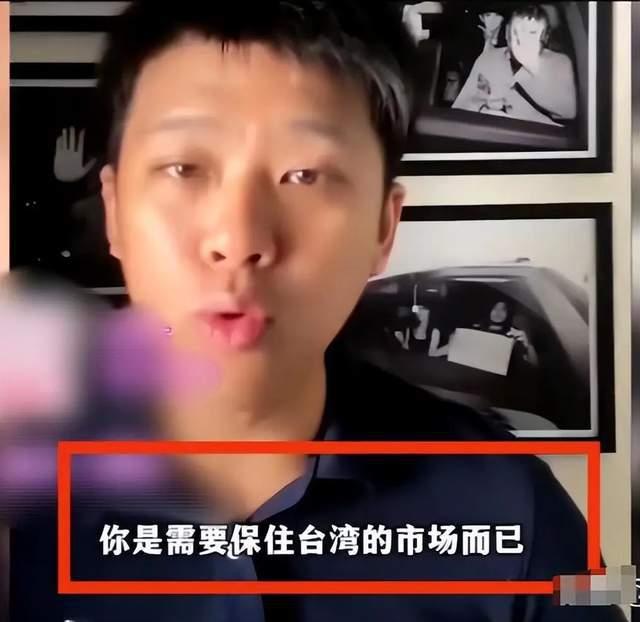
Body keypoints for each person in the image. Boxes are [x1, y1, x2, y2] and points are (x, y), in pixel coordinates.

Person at [8, 2, 624, 621]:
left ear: (383, 226)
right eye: (184, 168)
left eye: (304, 174)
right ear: (114, 212)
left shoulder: (515, 504)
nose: (239, 238)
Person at [452, 4, 577, 126]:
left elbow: (568, 112)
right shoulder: (488, 58)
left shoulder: (560, 63)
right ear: (507, 33)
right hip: (492, 132)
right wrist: (483, 110)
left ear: (545, 37)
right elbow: (461, 108)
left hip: (538, 136)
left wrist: (531, 66)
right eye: (517, 32)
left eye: (532, 33)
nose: (522, 40)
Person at [472, 300, 539, 366]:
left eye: (503, 309)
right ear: (489, 310)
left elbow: (534, 363)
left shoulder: (513, 333)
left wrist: (527, 344)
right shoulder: (476, 329)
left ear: (508, 313)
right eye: (495, 308)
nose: (498, 311)